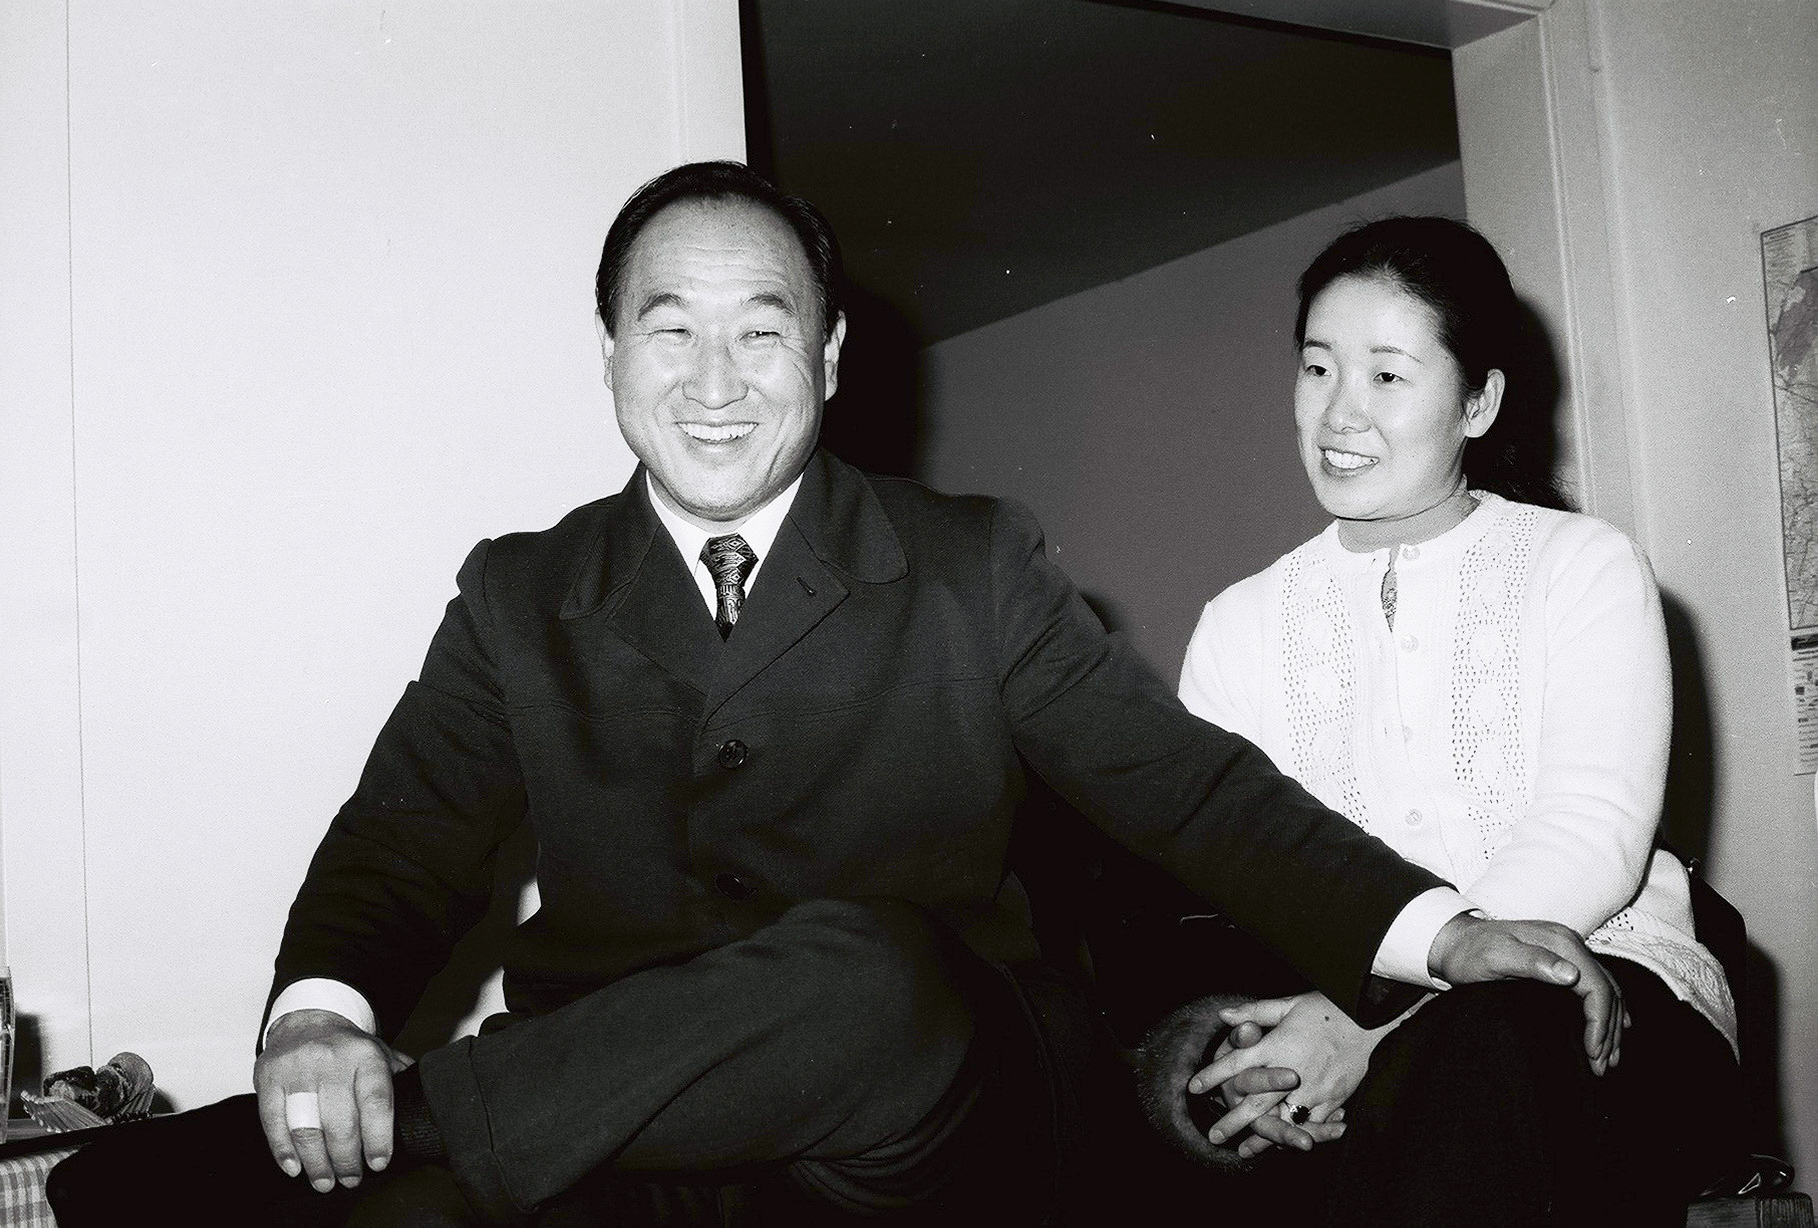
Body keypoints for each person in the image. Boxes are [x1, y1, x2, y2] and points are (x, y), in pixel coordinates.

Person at [51, 169, 1621, 1227]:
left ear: (830, 354)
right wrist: (317, 1022)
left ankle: (393, 1121)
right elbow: (399, 842)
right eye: (670, 330)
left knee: (871, 974)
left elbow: (1187, 788)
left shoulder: (973, 563)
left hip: (929, 1117)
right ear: (608, 354)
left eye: (762, 331)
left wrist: (1436, 934)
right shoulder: (520, 594)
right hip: (624, 1141)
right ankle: (368, 1132)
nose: (713, 381)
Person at [1169, 216, 1739, 1225]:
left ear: (1479, 402)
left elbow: (1591, 832)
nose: (1339, 412)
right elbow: (1231, 870)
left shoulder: (1582, 566)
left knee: (1487, 1044)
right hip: (1327, 1018)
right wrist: (1284, 1043)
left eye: (1387, 375)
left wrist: (1367, 1019)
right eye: (1317, 368)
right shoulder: (1237, 626)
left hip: (1599, 991)